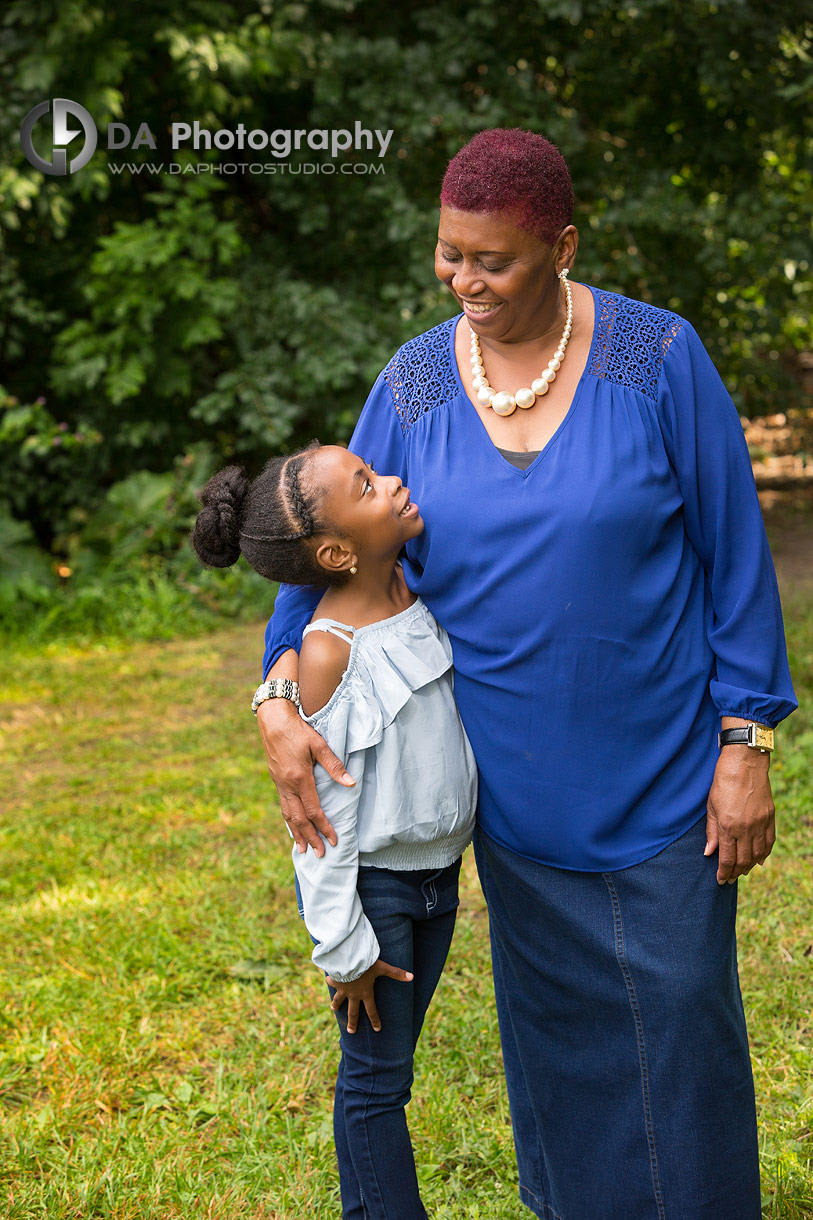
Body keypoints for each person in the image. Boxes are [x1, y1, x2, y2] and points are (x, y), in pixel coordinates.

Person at [255, 129, 797, 1220]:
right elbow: (315, 553)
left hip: (666, 775)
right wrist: (274, 691)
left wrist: (748, 739)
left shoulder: (657, 358)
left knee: (685, 1017)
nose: (466, 279)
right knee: (558, 1046)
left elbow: (735, 555)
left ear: (562, 246)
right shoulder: (413, 382)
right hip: (505, 785)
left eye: (493, 258)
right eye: (450, 253)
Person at [191, 442, 477, 1220]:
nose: (392, 481)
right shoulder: (326, 654)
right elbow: (317, 825)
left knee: (393, 1073)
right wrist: (345, 951)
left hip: (437, 882)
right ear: (334, 550)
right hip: (378, 896)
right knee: (375, 1084)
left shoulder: (413, 595)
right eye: (368, 485)